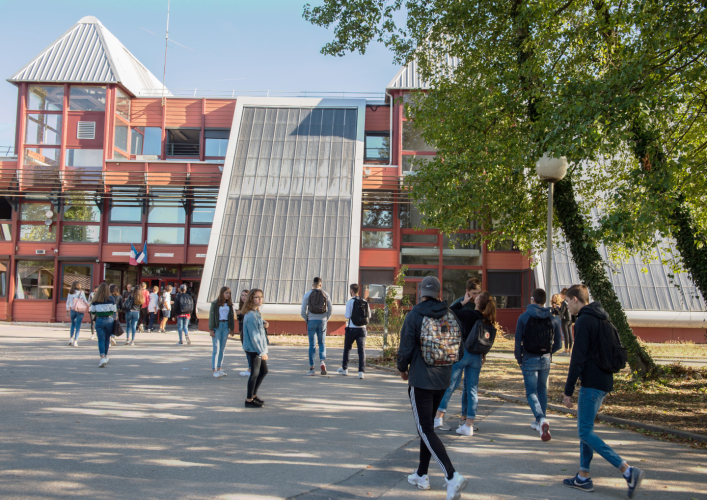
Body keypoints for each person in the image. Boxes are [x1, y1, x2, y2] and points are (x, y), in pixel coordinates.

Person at [562, 285, 644, 496]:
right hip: (604, 382)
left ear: (574, 299)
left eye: (567, 301)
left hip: (592, 384)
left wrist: (568, 390)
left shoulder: (583, 320)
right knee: (586, 429)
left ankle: (627, 470)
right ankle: (583, 476)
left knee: (584, 431)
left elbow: (577, 358)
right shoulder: (602, 317)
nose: (566, 306)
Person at [397, 276, 468, 500]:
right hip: (443, 379)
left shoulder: (415, 315)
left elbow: (405, 347)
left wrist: (402, 368)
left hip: (421, 379)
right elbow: (461, 350)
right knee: (428, 429)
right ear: (438, 292)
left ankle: (451, 476)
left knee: (425, 429)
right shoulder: (450, 314)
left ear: (421, 292)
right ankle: (421, 474)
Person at [435, 291, 496, 436]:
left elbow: (451, 311)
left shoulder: (469, 315)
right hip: (477, 357)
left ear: (477, 302)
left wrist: (463, 301)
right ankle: (468, 425)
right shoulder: (488, 320)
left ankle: (438, 417)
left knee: (450, 384)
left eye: (477, 296)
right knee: (472, 390)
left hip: (464, 353)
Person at [514, 288, 563, 441]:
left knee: (531, 392)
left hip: (529, 357)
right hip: (545, 358)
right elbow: (559, 344)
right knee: (542, 390)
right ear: (545, 300)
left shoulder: (523, 317)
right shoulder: (553, 318)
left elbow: (517, 341)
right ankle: (539, 421)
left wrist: (519, 358)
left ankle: (541, 418)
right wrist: (549, 352)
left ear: (532, 299)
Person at [241, 289, 270, 408]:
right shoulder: (251, 315)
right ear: (251, 299)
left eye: (261, 297)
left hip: (257, 348)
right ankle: (249, 400)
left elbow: (259, 327)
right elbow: (255, 336)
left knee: (263, 371)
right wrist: (262, 352)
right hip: (254, 348)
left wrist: (264, 323)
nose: (260, 299)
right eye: (257, 297)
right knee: (255, 373)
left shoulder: (255, 312)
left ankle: (253, 395)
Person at [337, 283, 371, 379]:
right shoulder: (364, 301)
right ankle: (361, 372)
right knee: (361, 351)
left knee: (347, 349)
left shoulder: (350, 302)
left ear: (351, 290)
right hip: (362, 329)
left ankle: (345, 369)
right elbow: (370, 315)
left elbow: (347, 316)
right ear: (358, 291)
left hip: (351, 329)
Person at [301, 277, 333, 375]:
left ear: (313, 284)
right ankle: (322, 361)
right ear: (320, 285)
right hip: (322, 321)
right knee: (322, 343)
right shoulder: (326, 294)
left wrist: (307, 319)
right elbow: (330, 309)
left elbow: (302, 311)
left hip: (311, 321)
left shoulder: (307, 294)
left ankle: (311, 368)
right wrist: (326, 319)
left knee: (312, 345)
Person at [208, 286, 234, 378]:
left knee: (222, 349)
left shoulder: (230, 304)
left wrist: (232, 328)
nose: (228, 295)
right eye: (226, 293)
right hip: (217, 326)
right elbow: (211, 317)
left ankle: (219, 368)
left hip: (226, 326)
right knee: (216, 349)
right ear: (222, 293)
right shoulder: (215, 304)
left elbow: (231, 316)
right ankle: (214, 370)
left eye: (229, 293)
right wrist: (211, 329)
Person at [90, 283, 117, 368]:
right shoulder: (111, 298)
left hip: (100, 320)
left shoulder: (95, 299)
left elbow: (93, 311)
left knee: (101, 339)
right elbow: (114, 310)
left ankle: (102, 357)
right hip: (109, 320)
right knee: (107, 339)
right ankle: (105, 356)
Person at [65, 281, 88, 346]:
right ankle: (75, 341)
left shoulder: (70, 293)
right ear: (79, 286)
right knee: (78, 326)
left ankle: (70, 339)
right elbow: (85, 301)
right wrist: (89, 305)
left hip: (72, 310)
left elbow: (67, 302)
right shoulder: (81, 292)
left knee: (72, 325)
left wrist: (67, 311)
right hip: (80, 311)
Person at [235, 289, 251, 377]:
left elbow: (249, 319)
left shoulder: (249, 307)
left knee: (249, 349)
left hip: (248, 330)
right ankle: (250, 367)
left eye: (245, 295)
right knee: (245, 349)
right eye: (242, 295)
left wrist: (241, 314)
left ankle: (250, 368)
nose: (243, 297)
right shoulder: (241, 306)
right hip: (242, 330)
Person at [560, 287, 573, 353]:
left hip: (565, 319)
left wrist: (558, 309)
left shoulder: (564, 302)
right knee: (570, 334)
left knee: (566, 334)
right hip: (570, 318)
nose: (560, 296)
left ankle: (566, 349)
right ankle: (570, 348)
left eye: (561, 294)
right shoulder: (569, 301)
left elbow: (562, 311)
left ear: (564, 295)